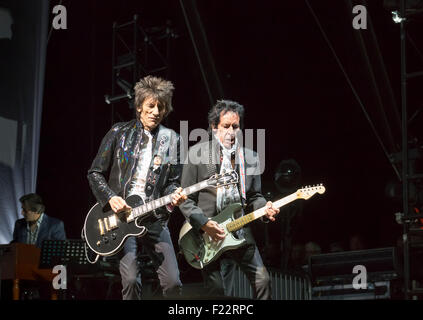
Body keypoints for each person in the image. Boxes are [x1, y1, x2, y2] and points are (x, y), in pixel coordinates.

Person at [87, 75, 187, 300]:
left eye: (161, 107)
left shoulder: (172, 140)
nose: (155, 111)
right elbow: (94, 173)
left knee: (173, 283)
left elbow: (173, 181)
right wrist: (110, 198)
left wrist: (174, 195)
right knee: (131, 280)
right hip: (121, 217)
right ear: (139, 107)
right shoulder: (118, 132)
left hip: (153, 216)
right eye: (150, 106)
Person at [179, 99, 280, 299]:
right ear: (214, 127)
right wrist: (204, 224)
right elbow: (186, 199)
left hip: (239, 228)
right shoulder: (197, 154)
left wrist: (264, 209)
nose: (231, 132)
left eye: (236, 126)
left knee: (263, 280)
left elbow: (255, 196)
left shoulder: (250, 158)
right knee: (217, 289)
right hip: (207, 235)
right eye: (226, 126)